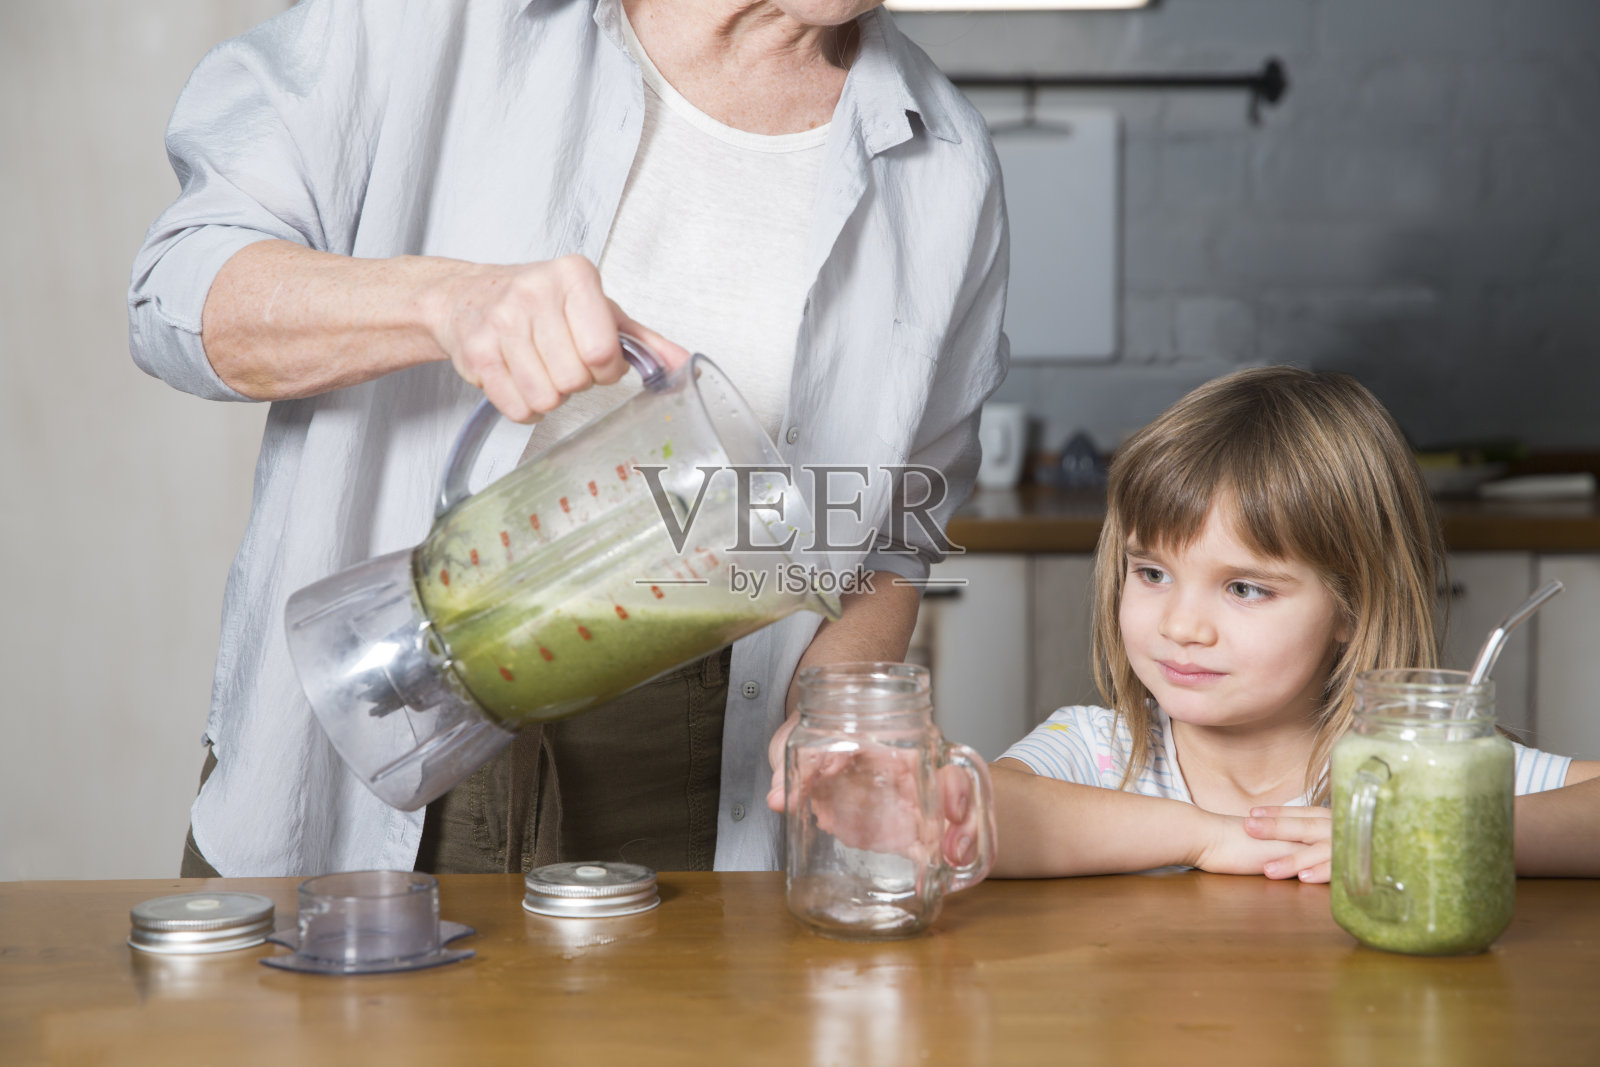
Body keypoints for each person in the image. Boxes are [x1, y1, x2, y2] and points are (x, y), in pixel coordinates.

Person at [129, 0, 1008, 877]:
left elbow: (897, 528)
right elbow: (178, 290)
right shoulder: (437, 21)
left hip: (691, 768)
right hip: (376, 683)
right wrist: (442, 302)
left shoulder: (948, 167)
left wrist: (839, 705)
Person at [991, 366, 1600, 880]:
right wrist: (1207, 838)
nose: (1180, 626)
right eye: (1152, 574)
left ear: (1351, 606)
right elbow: (962, 814)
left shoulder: (1425, 768)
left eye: (1245, 588)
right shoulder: (1102, 752)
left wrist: (1428, 831)